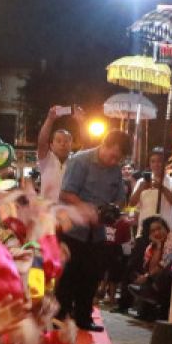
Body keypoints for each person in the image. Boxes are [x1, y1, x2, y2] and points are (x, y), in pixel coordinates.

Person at [56, 129, 133, 332]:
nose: (113, 161)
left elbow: (119, 198)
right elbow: (65, 193)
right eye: (113, 155)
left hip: (98, 232)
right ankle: (59, 317)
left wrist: (114, 210)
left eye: (119, 158)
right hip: (72, 229)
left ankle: (83, 317)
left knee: (91, 276)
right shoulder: (80, 161)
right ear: (105, 144)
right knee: (67, 276)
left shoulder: (116, 169)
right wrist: (86, 207)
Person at [130, 147, 172, 227]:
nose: (156, 164)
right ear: (150, 163)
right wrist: (140, 189)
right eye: (152, 161)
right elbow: (132, 204)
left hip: (166, 227)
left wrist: (161, 188)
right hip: (144, 227)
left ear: (165, 163)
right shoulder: (141, 182)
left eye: (159, 161)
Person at [35, 106, 74, 202]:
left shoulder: (76, 161)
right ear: (51, 145)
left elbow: (89, 146)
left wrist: (82, 122)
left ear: (71, 145)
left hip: (68, 213)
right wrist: (50, 119)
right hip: (47, 213)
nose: (63, 143)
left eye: (66, 141)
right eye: (59, 141)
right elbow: (42, 142)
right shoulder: (46, 159)